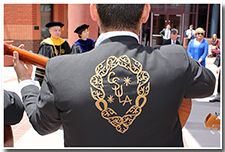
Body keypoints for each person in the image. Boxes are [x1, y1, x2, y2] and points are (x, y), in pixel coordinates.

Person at [13, 4, 215, 147]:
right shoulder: (175, 59)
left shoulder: (60, 69)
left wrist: (26, 83)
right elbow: (207, 84)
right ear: (145, 12)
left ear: (94, 11)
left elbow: (42, 124)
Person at [34, 21, 71, 85]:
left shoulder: (64, 43)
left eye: (59, 30)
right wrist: (41, 78)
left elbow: (70, 59)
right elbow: (41, 61)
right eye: (55, 30)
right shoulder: (45, 44)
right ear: (50, 31)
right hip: (50, 75)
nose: (58, 32)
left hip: (63, 74)